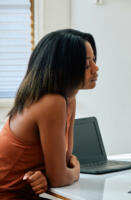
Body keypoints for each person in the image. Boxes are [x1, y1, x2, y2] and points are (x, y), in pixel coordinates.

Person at [0, 29, 99, 199]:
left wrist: (46, 175)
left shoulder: (69, 99)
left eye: (94, 61)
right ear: (64, 68)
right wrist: (75, 171)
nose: (96, 68)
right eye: (86, 64)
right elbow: (60, 177)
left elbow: (65, 159)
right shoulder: (52, 102)